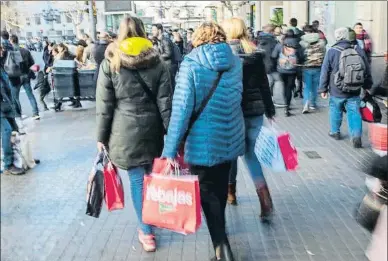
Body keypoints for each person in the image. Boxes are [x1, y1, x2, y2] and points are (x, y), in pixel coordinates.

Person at [162, 21, 244, 261]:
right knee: (218, 192)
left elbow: (181, 109)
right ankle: (221, 240)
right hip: (230, 136)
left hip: (202, 141)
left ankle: (222, 248)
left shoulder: (192, 64)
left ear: (197, 38)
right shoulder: (235, 61)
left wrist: (170, 149)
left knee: (208, 195)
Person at [96, 16, 172, 253]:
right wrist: (172, 135)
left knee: (138, 181)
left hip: (123, 132)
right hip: (153, 131)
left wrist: (101, 137)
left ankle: (146, 232)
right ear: (143, 32)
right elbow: (166, 103)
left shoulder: (112, 61)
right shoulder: (158, 62)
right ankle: (151, 219)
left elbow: (104, 105)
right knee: (151, 178)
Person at [222, 18, 276, 222]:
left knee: (230, 156)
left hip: (232, 112)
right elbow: (264, 84)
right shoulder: (254, 54)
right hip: (254, 112)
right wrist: (270, 109)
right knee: (251, 156)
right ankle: (265, 201)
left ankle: (230, 192)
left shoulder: (223, 55)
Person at [319, 27, 373, 148]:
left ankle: (335, 132)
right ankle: (356, 136)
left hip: (336, 88)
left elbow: (325, 71)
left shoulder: (332, 51)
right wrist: (367, 85)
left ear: (338, 37)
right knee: (354, 111)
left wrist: (323, 88)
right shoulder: (357, 49)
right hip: (354, 88)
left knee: (335, 109)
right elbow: (366, 69)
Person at [0, 45, 25, 175]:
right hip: (2, 105)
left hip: (5, 104)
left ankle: (21, 158)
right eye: (0, 49)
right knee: (7, 130)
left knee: (14, 129)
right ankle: (8, 164)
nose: (2, 51)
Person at [9, 35, 40, 120]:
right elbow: (31, 62)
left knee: (15, 97)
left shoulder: (10, 52)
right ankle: (35, 112)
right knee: (30, 95)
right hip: (26, 75)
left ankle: (18, 114)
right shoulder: (25, 50)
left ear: (11, 41)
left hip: (15, 76)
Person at [272, 31, 302, 116]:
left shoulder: (280, 45)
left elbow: (273, 56)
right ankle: (287, 107)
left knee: (284, 87)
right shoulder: (298, 45)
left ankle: (285, 103)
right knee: (289, 88)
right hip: (293, 70)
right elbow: (301, 56)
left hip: (281, 70)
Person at [299, 25, 326, 113]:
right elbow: (324, 54)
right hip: (318, 67)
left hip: (306, 67)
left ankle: (306, 103)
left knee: (307, 87)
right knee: (315, 87)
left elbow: (301, 55)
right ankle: (313, 104)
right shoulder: (321, 42)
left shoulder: (303, 42)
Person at [257, 24, 279, 95]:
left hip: (262, 63)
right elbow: (275, 54)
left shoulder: (259, 38)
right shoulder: (273, 41)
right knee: (276, 81)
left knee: (267, 81)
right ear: (272, 32)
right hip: (271, 63)